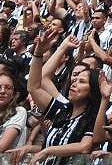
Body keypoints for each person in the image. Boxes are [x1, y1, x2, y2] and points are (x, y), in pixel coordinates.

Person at [18, 31, 105, 164]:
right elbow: (33, 87)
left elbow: (84, 147)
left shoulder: (94, 117)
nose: (74, 83)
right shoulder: (62, 111)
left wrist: (48, 150)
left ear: (92, 89)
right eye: (74, 80)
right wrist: (39, 53)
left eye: (81, 81)